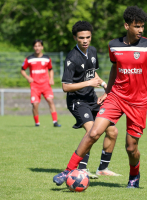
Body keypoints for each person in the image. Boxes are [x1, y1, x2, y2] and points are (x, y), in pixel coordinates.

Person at [53, 6, 147, 188]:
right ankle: (68, 170)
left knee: (131, 148)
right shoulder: (113, 45)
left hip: (138, 103)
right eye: (137, 26)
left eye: (142, 26)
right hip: (116, 98)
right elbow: (114, 68)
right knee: (94, 132)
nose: (141, 30)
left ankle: (134, 175)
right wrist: (108, 92)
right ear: (127, 26)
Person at [53, 21, 121, 184]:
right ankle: (82, 169)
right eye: (81, 37)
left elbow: (93, 76)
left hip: (92, 98)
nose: (85, 40)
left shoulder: (93, 51)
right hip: (77, 101)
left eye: (88, 37)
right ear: (75, 38)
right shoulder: (71, 57)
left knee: (113, 132)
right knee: (92, 132)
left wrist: (105, 87)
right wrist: (88, 83)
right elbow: (65, 86)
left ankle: (103, 169)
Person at [21, 39, 61, 127]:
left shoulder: (47, 58)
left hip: (46, 84)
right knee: (35, 104)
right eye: (35, 46)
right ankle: (37, 123)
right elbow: (22, 70)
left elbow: (51, 69)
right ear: (33, 47)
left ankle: (55, 122)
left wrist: (51, 78)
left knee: (50, 100)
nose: (37, 48)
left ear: (42, 47)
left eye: (39, 46)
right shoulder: (29, 59)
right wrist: (27, 77)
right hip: (34, 85)